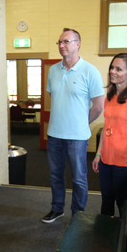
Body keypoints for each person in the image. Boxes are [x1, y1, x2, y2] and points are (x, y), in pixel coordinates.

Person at [43, 28, 105, 223]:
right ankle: (57, 209)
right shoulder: (53, 70)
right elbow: (54, 97)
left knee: (79, 178)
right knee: (56, 175)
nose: (62, 45)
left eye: (66, 41)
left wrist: (80, 122)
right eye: (59, 42)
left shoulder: (90, 70)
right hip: (54, 135)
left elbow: (99, 106)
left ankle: (78, 214)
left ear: (77, 44)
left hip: (77, 137)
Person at [92, 53, 127, 216]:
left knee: (123, 203)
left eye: (119, 69)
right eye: (112, 67)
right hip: (106, 159)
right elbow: (106, 128)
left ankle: (125, 238)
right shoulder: (110, 97)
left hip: (126, 162)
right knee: (107, 200)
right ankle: (105, 236)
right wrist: (98, 153)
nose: (113, 71)